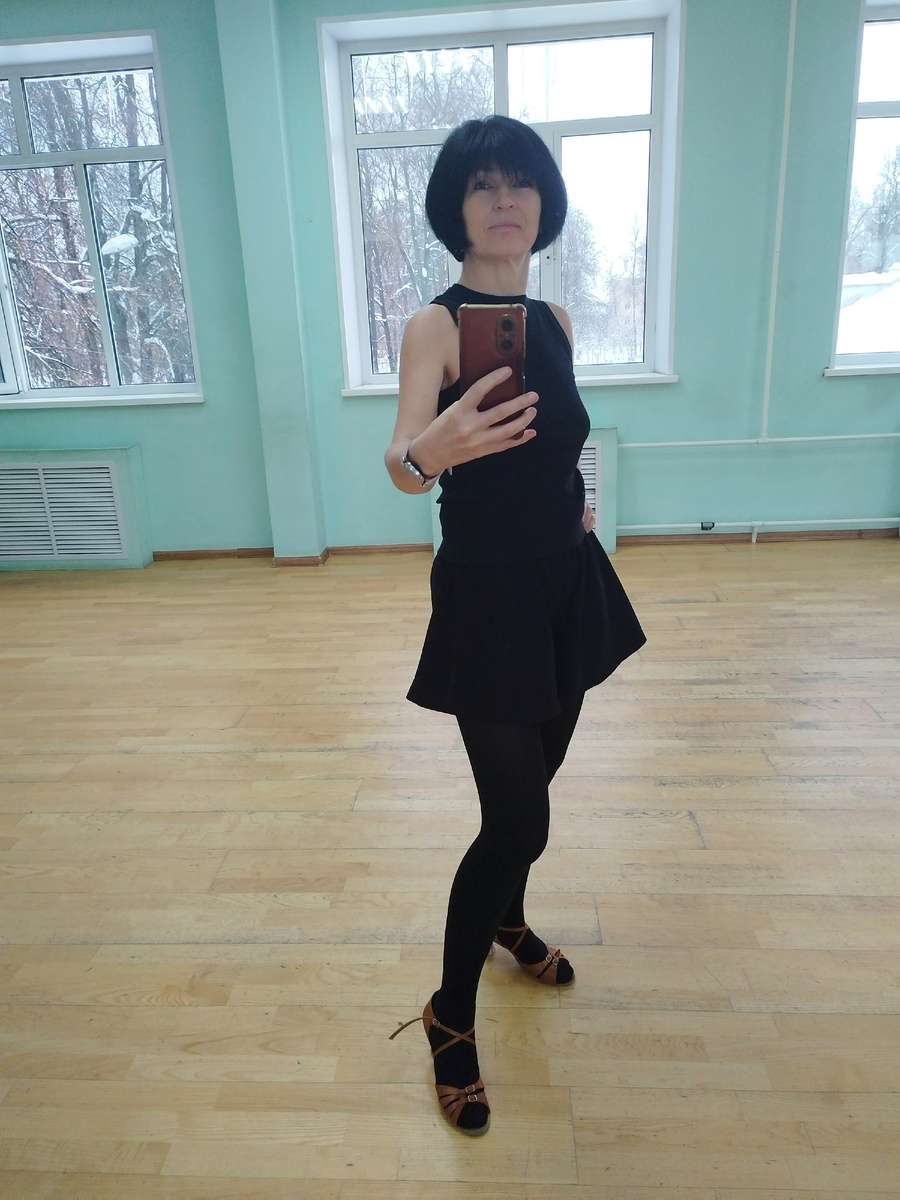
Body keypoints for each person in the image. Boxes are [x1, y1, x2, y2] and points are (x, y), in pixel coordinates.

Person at [385, 115, 646, 1136]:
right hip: (487, 597)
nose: (506, 200)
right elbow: (402, 464)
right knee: (517, 820)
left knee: (537, 780)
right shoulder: (434, 326)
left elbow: (559, 439)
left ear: (544, 205)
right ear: (455, 207)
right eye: (484, 184)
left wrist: (575, 504)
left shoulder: (557, 320)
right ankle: (449, 1014)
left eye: (522, 183)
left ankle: (507, 918)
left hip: (567, 583)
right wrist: (436, 446)